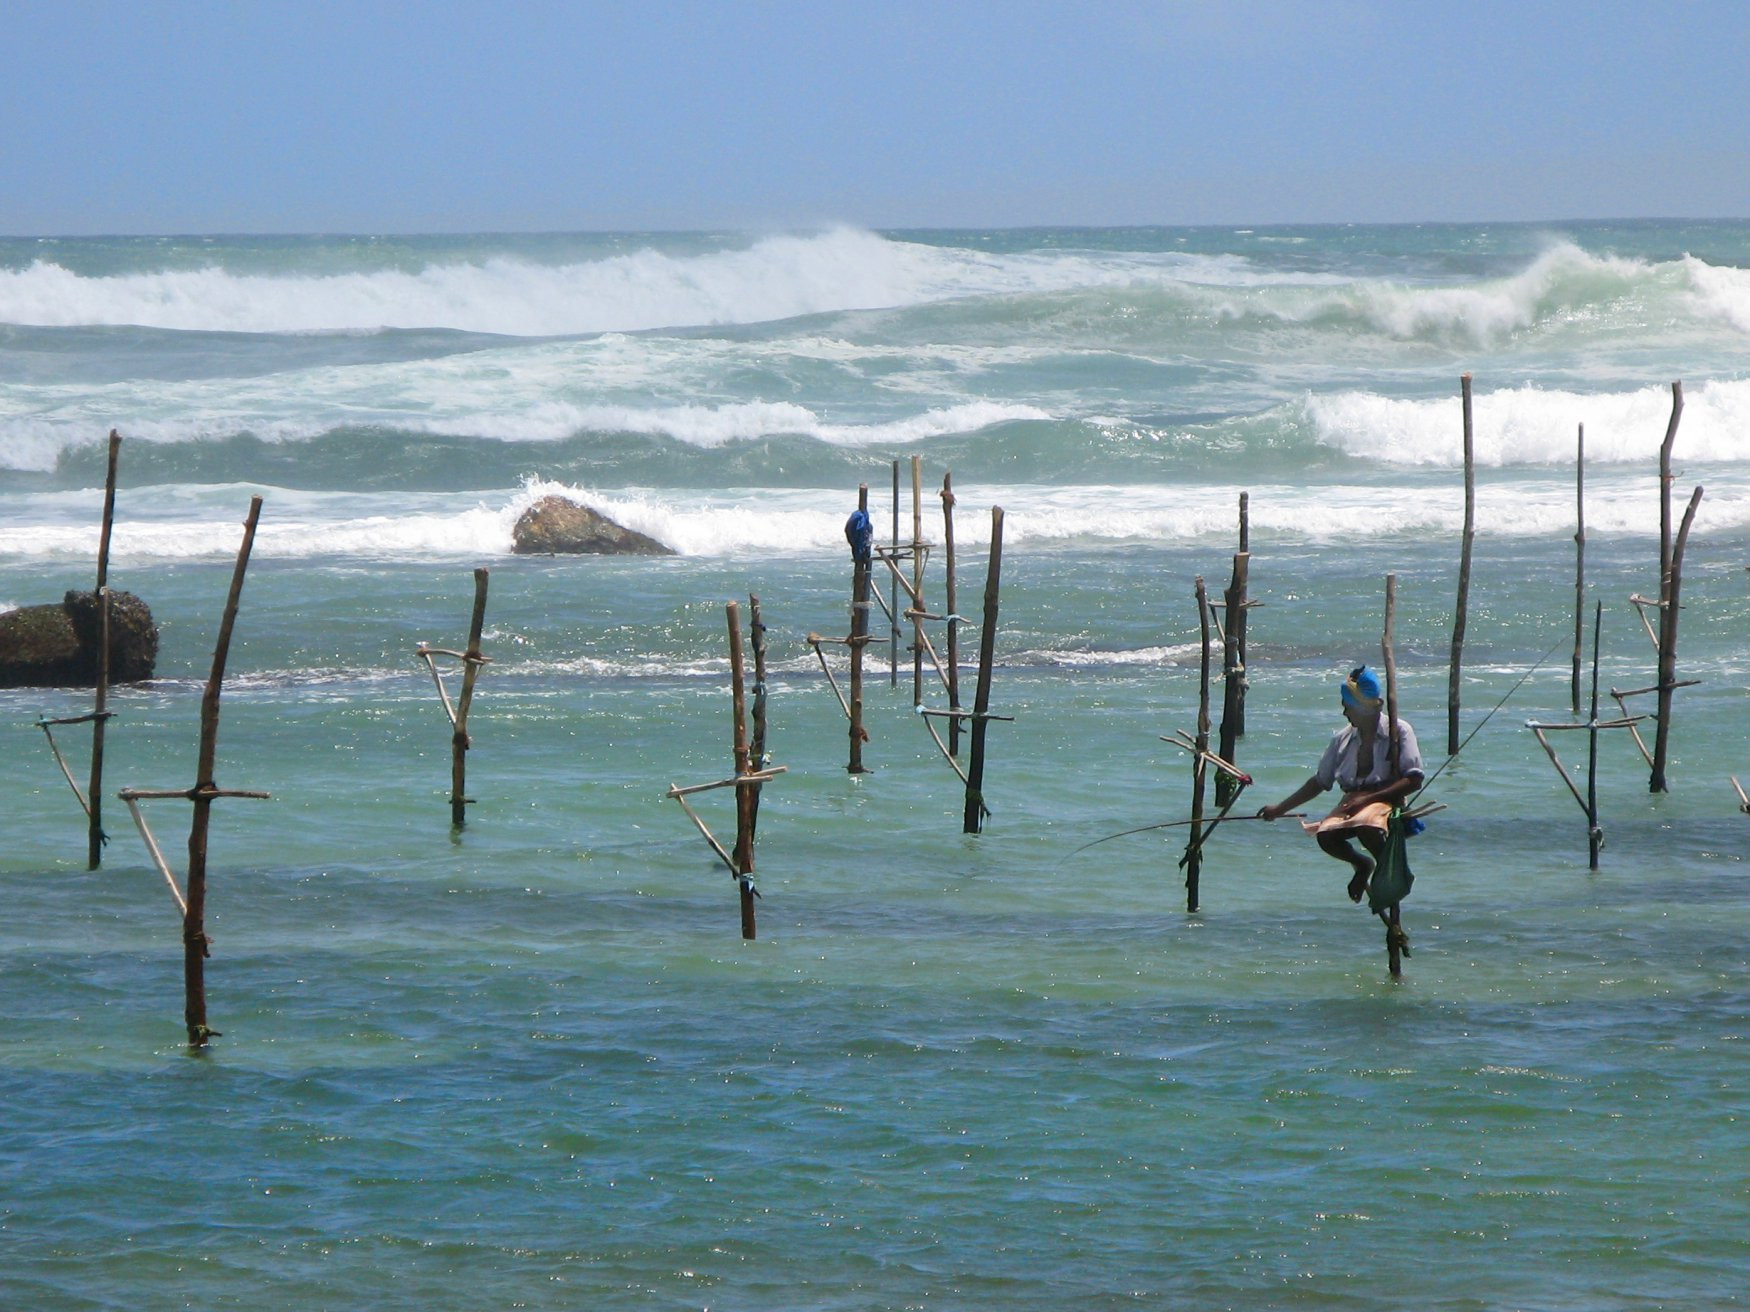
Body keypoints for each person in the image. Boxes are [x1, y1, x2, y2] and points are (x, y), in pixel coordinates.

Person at [1258, 665, 1424, 903]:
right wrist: (1279, 809)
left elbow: (1414, 780)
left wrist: (1368, 799)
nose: (1345, 712)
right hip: (1352, 801)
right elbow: (1319, 782)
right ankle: (1363, 864)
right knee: (1326, 836)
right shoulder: (1342, 739)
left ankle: (1389, 872)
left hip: (1385, 798)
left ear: (1363, 708)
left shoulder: (1398, 731)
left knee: (1367, 828)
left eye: (1348, 706)